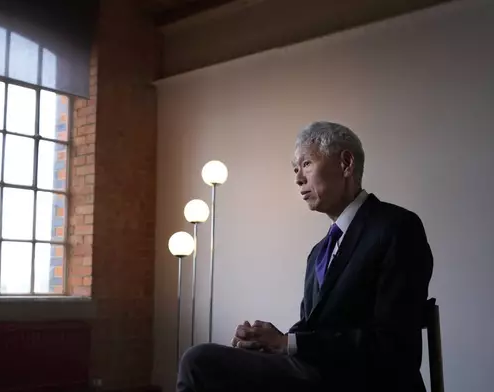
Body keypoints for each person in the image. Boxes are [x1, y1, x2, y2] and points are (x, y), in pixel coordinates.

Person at [176, 121, 433, 392]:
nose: (298, 178)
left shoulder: (396, 227)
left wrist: (288, 343)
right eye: (295, 169)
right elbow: (314, 330)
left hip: (363, 381)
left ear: (346, 163)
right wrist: (270, 342)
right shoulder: (318, 253)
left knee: (198, 361)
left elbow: (394, 345)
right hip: (315, 376)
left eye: (306, 164)